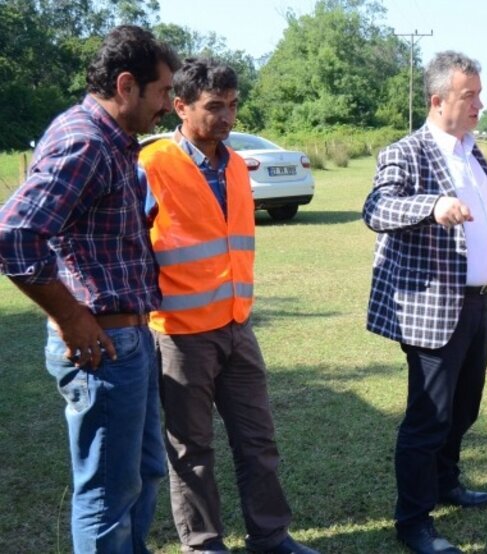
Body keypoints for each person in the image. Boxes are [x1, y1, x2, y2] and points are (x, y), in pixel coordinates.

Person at [0, 25, 178, 553]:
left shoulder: (112, 140)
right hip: (101, 347)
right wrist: (72, 316)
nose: (169, 104)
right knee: (106, 492)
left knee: (143, 473)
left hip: (129, 340)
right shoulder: (87, 140)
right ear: (127, 85)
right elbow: (14, 233)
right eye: (164, 91)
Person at [137, 58, 317, 554]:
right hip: (179, 332)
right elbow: (127, 246)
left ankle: (270, 536)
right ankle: (204, 545)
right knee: (191, 452)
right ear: (180, 106)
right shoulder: (151, 164)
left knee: (258, 441)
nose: (228, 117)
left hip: (237, 326)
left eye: (233, 105)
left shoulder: (236, 163)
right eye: (214, 107)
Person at [362, 50, 487, 554]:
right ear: (438, 100)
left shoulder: (470, 149)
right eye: (470, 96)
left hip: (477, 304)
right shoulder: (408, 151)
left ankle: (446, 482)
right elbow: (377, 207)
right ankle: (414, 522)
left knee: (464, 408)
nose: (479, 105)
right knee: (427, 419)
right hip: (433, 309)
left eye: (479, 95)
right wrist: (434, 204)